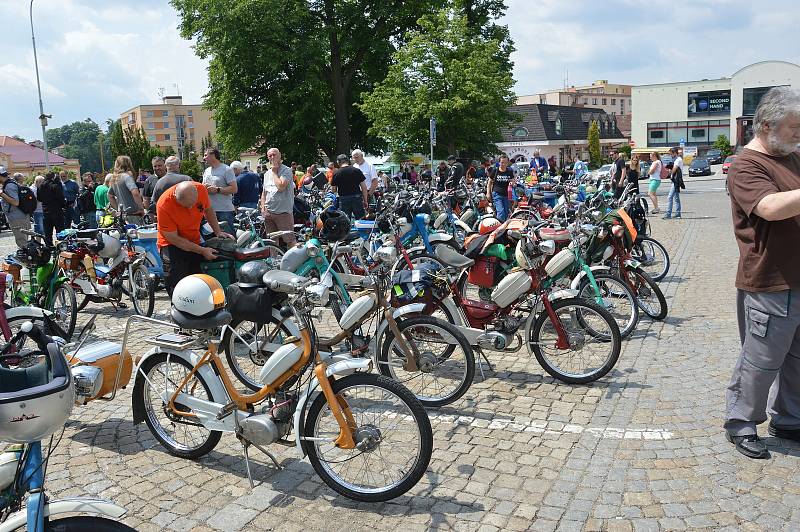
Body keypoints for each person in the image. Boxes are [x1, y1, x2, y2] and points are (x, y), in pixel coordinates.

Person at [723, 87, 800, 459]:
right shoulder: (746, 165)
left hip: (797, 278)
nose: (799, 135)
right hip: (770, 281)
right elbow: (769, 207)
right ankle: (741, 423)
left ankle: (789, 418)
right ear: (767, 124)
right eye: (794, 128)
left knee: (798, 359)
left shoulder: (791, 157)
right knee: (761, 360)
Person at [157, 181, 233, 296]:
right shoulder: (164, 205)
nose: (191, 208)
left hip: (193, 240)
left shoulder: (201, 189)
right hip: (171, 244)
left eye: (194, 203)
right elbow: (175, 239)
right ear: (176, 198)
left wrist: (218, 231)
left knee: (197, 281)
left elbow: (208, 210)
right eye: (187, 206)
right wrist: (202, 251)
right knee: (177, 285)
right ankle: (178, 310)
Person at [260, 147, 296, 246]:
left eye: (274, 154)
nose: (272, 157)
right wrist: (263, 208)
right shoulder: (267, 173)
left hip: (283, 212)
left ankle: (293, 261)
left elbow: (281, 187)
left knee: (290, 240)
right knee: (272, 242)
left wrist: (275, 172)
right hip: (269, 212)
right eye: (269, 156)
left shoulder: (286, 170)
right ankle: (273, 261)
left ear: (280, 156)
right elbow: (264, 192)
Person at [201, 148, 237, 233]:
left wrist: (217, 190)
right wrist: (204, 187)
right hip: (209, 210)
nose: (203, 158)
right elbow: (202, 186)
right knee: (212, 240)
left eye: (206, 155)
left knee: (228, 240)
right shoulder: (207, 171)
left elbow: (234, 189)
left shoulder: (226, 169)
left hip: (224, 210)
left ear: (213, 156)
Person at [107, 156, 146, 224]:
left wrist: (117, 209)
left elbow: (109, 195)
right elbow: (135, 193)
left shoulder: (115, 178)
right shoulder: (126, 177)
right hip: (134, 215)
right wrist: (141, 209)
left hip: (122, 216)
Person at [331, 153, 368, 220]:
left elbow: (333, 190)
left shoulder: (336, 173)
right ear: (348, 161)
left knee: (345, 222)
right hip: (357, 198)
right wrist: (365, 200)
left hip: (343, 199)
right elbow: (364, 187)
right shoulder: (357, 171)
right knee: (361, 220)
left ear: (338, 162)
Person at [0, 168, 30, 248]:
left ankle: (26, 259)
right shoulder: (10, 184)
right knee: (23, 241)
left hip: (18, 219)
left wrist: (2, 194)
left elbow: (15, 202)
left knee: (22, 243)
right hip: (19, 217)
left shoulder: (9, 186)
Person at [36, 171, 66, 247]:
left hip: (46, 211)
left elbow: (39, 198)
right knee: (60, 230)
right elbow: (61, 198)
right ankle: (61, 246)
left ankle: (49, 246)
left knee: (48, 232)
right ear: (53, 177)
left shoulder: (40, 186)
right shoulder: (54, 186)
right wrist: (64, 205)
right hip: (56, 210)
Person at [487, 155, 516, 221]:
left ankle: (503, 228)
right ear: (499, 162)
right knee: (501, 212)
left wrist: (512, 183)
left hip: (507, 195)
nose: (504, 164)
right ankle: (499, 229)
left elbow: (513, 180)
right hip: (497, 194)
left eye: (505, 162)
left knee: (506, 212)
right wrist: (488, 193)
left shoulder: (509, 170)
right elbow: (489, 182)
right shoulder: (495, 170)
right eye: (502, 162)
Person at [664, 147, 685, 219]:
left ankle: (668, 214)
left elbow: (674, 169)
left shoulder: (678, 160)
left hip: (676, 181)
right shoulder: (676, 159)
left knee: (670, 197)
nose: (670, 155)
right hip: (675, 180)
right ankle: (678, 213)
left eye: (671, 154)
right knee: (676, 198)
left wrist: (670, 172)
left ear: (675, 153)